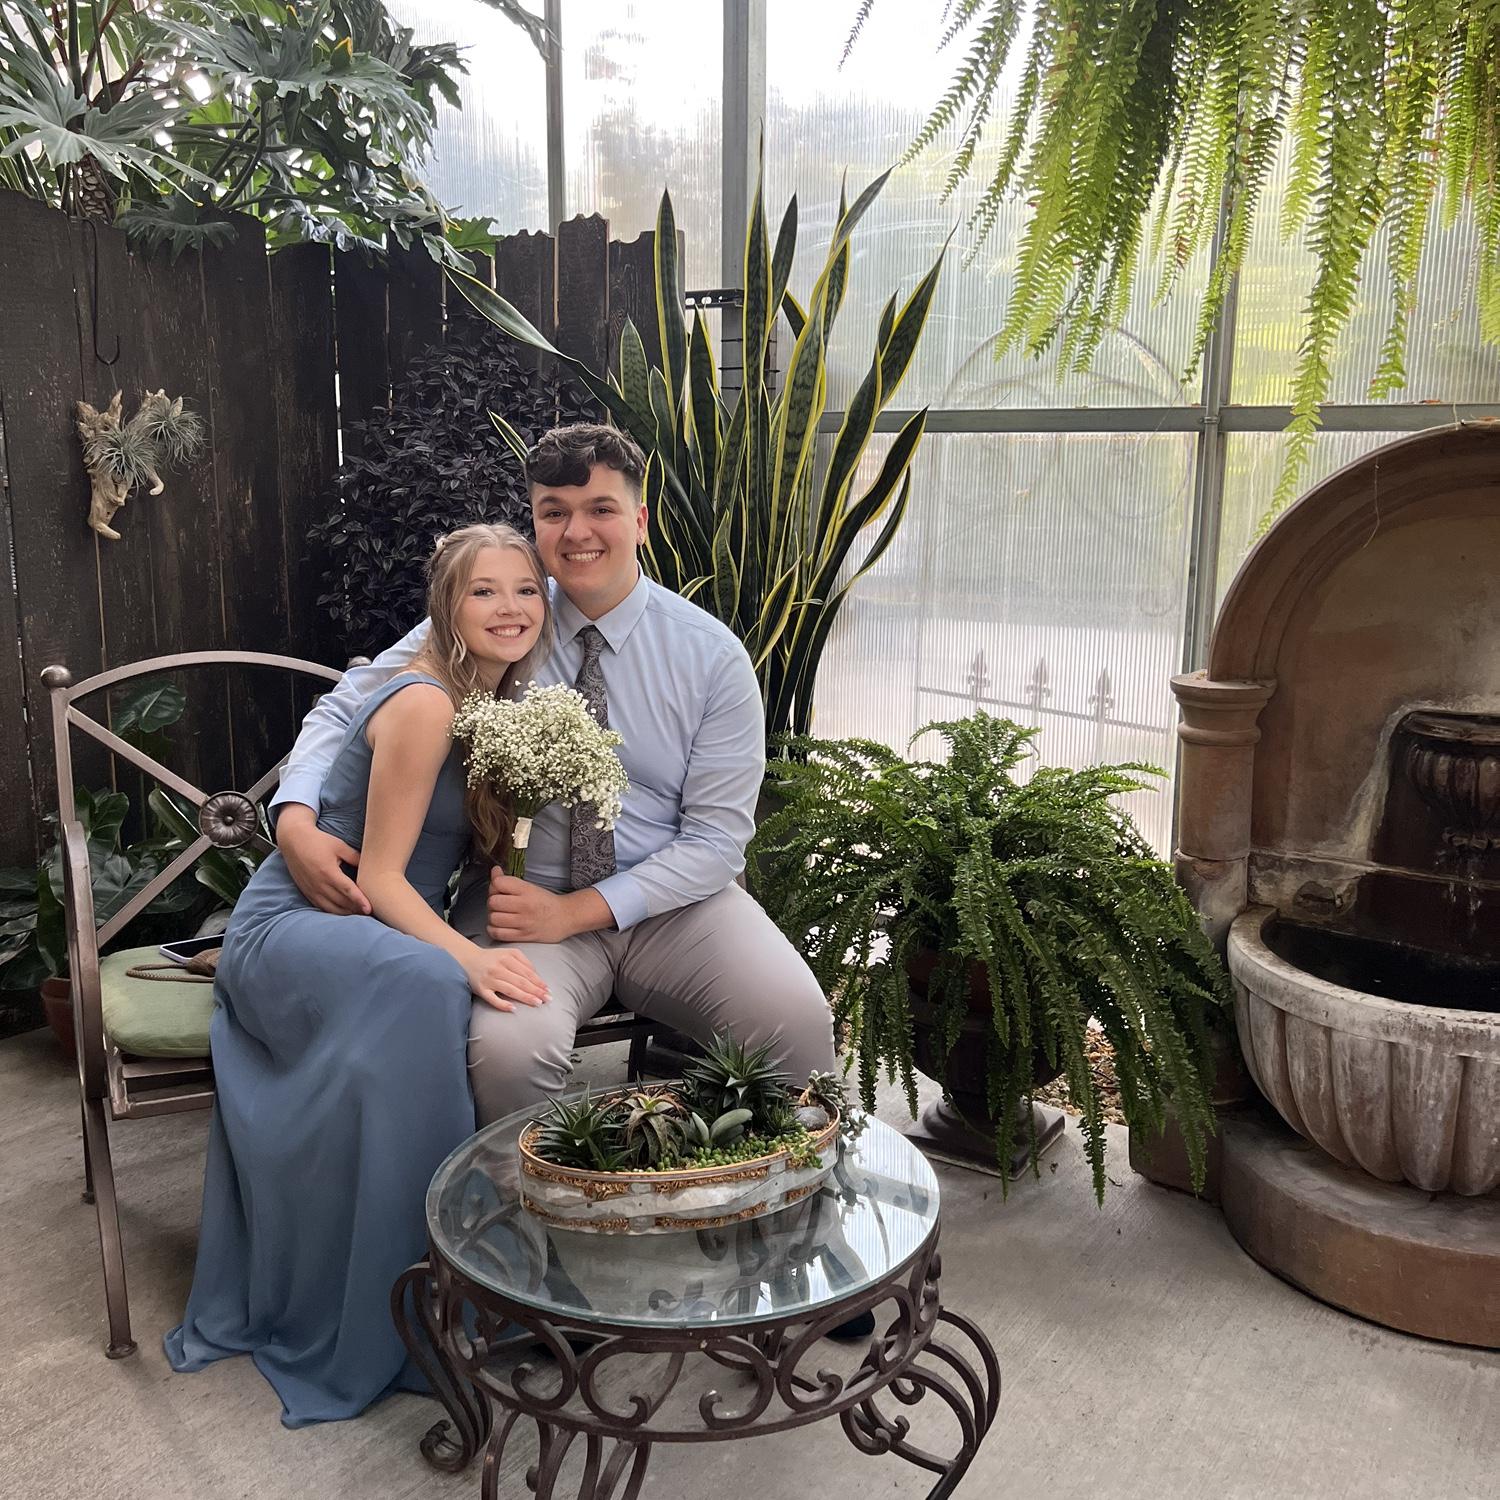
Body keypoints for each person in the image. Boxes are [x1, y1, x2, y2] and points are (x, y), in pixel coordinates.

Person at [273, 422, 836, 1126]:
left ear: (639, 520)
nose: (577, 532)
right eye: (554, 512)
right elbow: (348, 704)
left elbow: (717, 842)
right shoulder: (500, 613)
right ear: (535, 522)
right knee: (507, 1055)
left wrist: (575, 911)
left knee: (797, 1023)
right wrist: (294, 816)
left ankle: (792, 1185)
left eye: (600, 508)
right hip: (518, 903)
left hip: (677, 909)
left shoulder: (711, 657)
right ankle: (530, 1198)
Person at [165, 524, 554, 1428]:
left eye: (525, 590)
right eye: (484, 591)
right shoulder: (424, 701)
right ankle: (417, 1299)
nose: (509, 608)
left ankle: (437, 1275)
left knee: (422, 986)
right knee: (433, 985)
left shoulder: (499, 706)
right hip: (299, 923)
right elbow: (379, 879)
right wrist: (470, 956)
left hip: (372, 931)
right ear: (446, 606)